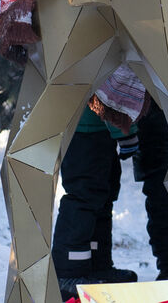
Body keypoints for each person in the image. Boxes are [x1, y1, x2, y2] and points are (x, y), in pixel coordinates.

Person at [53, 105, 140, 300]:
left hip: (100, 127)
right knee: (84, 197)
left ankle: (98, 266)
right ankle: (68, 274)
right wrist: (125, 130)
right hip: (84, 126)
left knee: (102, 197)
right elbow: (109, 84)